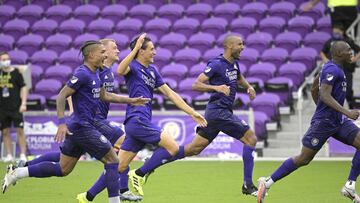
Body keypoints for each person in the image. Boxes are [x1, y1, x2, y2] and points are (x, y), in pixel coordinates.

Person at [2, 41, 150, 203]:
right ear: (91, 55)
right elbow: (61, 95)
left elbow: (105, 96)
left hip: (80, 127)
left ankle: (18, 173)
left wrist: (132, 100)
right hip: (82, 126)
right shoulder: (83, 73)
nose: (105, 55)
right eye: (102, 52)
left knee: (63, 168)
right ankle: (114, 199)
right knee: (113, 160)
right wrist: (61, 122)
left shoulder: (96, 72)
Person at [127, 34, 259, 197]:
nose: (243, 47)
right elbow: (196, 84)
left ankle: (145, 169)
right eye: (240, 44)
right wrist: (216, 88)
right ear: (230, 46)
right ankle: (248, 184)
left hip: (220, 113)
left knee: (192, 149)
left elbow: (238, 77)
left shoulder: (234, 64)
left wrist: (248, 87)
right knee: (251, 139)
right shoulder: (217, 64)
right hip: (218, 111)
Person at [257, 41, 360, 203]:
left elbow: (314, 88)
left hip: (337, 120)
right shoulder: (332, 69)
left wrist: (323, 108)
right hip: (324, 122)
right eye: (348, 50)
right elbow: (324, 95)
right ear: (339, 53)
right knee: (304, 159)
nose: (351, 52)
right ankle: (268, 181)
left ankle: (350, 185)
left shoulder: (332, 68)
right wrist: (345, 111)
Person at [116, 33, 208, 196]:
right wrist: (135, 48)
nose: (155, 52)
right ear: (141, 51)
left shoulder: (152, 70)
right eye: (151, 49)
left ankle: (88, 196)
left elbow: (171, 94)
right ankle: (139, 173)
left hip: (137, 122)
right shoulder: (133, 67)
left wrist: (192, 113)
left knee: (119, 166)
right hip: (137, 118)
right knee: (172, 147)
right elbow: (120, 69)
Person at [320, 24, 360, 109]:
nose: (336, 31)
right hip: (333, 69)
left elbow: (358, 50)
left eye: (338, 29)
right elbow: (322, 52)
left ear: (342, 31)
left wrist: (354, 59)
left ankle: (351, 108)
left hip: (346, 69)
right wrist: (325, 60)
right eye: (335, 29)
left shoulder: (348, 41)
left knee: (348, 91)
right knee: (332, 90)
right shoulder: (331, 41)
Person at [0, 51, 28, 162]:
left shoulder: (16, 72)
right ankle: (9, 155)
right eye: (3, 59)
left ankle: (22, 155)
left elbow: (24, 88)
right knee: (5, 132)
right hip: (2, 108)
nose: (5, 61)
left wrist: (23, 103)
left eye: (7, 59)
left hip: (16, 107)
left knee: (20, 131)